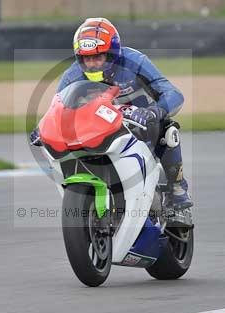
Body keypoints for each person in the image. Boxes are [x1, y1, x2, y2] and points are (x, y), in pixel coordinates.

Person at [56, 17, 193, 213]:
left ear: (112, 55)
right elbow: (58, 108)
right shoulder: (72, 75)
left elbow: (173, 94)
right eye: (86, 58)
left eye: (98, 57)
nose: (92, 64)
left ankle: (177, 188)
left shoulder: (135, 62)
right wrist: (43, 129)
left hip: (141, 127)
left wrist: (154, 111)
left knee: (168, 129)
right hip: (96, 132)